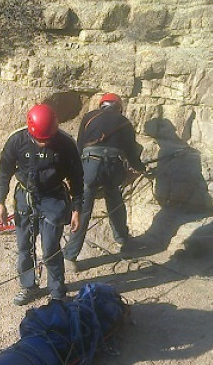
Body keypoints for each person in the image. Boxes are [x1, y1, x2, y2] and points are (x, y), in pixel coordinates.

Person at [0, 104, 83, 305]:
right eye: (38, 140)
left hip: (53, 198)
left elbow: (77, 178)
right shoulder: (17, 141)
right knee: (24, 246)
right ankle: (28, 287)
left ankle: (57, 291)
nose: (43, 144)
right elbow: (4, 171)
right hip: (25, 197)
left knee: (51, 246)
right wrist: (0, 201)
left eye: (47, 140)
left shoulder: (66, 144)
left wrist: (77, 209)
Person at [63, 93, 149, 268]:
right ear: (119, 107)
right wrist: (141, 169)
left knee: (82, 210)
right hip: (112, 168)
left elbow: (79, 147)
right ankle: (124, 241)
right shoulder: (125, 123)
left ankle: (70, 258)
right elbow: (132, 154)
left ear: (102, 105)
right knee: (115, 201)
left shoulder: (89, 117)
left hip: (90, 165)